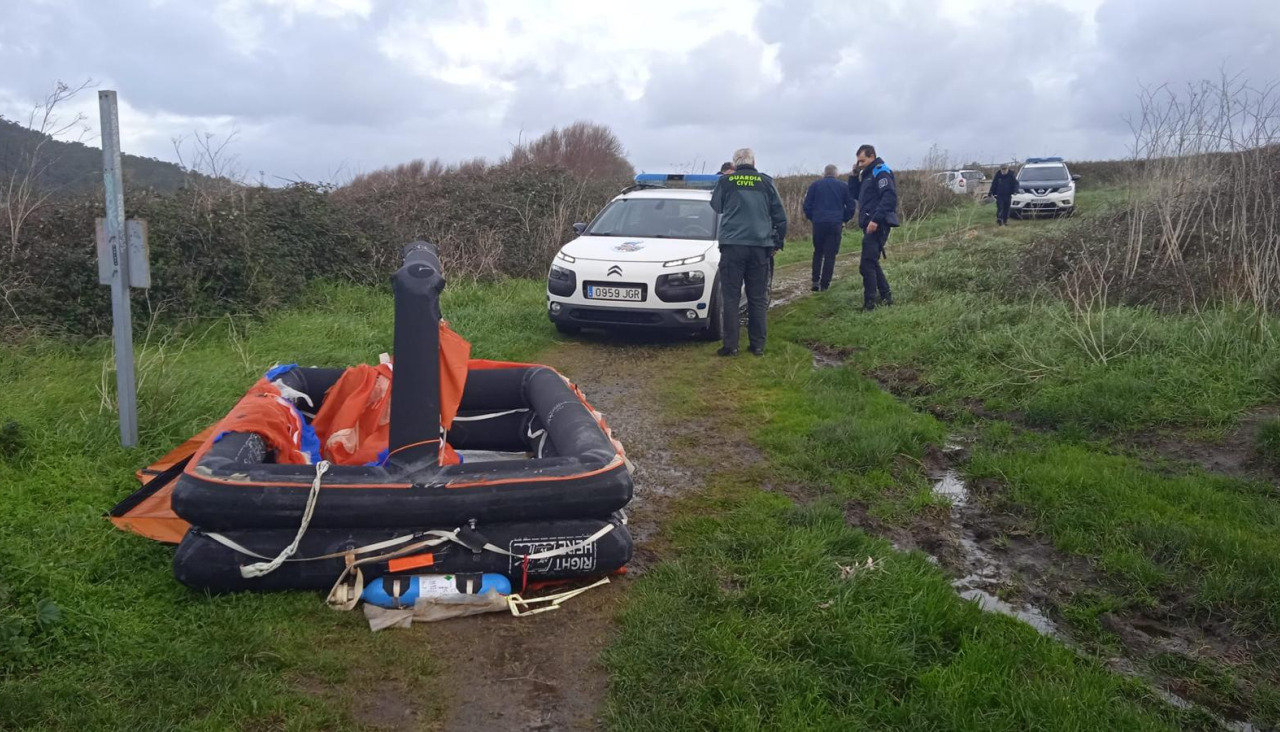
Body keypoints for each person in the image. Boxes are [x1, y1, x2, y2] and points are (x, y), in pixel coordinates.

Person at [710, 147, 787, 356]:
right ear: (753, 163)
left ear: (735, 164)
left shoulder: (725, 182)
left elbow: (716, 206)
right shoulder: (766, 182)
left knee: (731, 297)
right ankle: (757, 345)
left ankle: (730, 346)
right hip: (760, 247)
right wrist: (778, 242)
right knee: (757, 297)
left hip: (733, 247)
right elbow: (780, 216)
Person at [850, 144, 898, 311]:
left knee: (866, 265)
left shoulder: (880, 171)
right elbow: (854, 195)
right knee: (872, 262)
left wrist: (876, 220)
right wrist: (854, 175)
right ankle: (886, 296)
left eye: (862, 160)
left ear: (871, 156)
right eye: (858, 161)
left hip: (878, 224)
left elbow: (889, 197)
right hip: (870, 224)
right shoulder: (867, 174)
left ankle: (870, 303)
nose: (859, 164)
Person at [803, 164, 856, 291]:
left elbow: (807, 205)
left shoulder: (815, 186)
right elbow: (851, 206)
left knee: (818, 252)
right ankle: (825, 285)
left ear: (824, 173)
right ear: (836, 174)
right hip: (835, 223)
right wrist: (844, 219)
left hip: (819, 223)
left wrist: (813, 218)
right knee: (830, 255)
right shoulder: (843, 186)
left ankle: (815, 281)